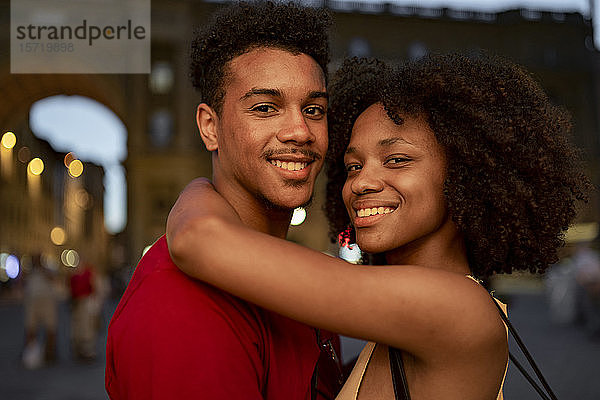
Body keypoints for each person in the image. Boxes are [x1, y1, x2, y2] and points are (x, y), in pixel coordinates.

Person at [166, 54, 590, 399]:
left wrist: (203, 182)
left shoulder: (452, 308)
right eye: (352, 165)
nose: (361, 183)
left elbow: (197, 238)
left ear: (465, 175)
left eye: (397, 160)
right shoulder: (402, 315)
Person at [106, 2, 343, 399]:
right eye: (265, 108)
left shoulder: (298, 283)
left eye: (314, 109)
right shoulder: (182, 307)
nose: (300, 131)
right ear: (209, 127)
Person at [22, 253, 58, 368]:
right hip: (33, 301)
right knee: (31, 327)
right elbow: (23, 282)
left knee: (50, 328)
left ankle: (49, 354)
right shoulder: (29, 271)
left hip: (47, 300)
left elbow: (53, 279)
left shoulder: (47, 269)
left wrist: (42, 269)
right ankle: (30, 351)